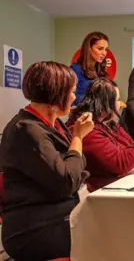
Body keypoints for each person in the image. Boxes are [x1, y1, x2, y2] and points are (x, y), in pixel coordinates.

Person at [0, 61, 94, 260]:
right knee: (107, 238)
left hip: (58, 216)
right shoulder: (26, 129)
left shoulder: (54, 125)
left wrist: (74, 153)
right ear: (57, 94)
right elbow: (67, 180)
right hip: (33, 229)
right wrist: (78, 137)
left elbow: (77, 165)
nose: (73, 97)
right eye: (71, 91)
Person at [67, 78, 134, 192]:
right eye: (117, 99)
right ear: (106, 103)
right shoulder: (88, 129)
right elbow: (123, 163)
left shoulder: (110, 124)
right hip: (98, 196)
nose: (120, 103)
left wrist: (129, 166)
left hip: (118, 189)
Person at [70, 31, 109, 105]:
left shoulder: (99, 70)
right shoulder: (75, 69)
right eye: (100, 49)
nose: (104, 53)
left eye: (106, 49)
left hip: (98, 114)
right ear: (89, 48)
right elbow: (68, 99)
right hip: (81, 114)